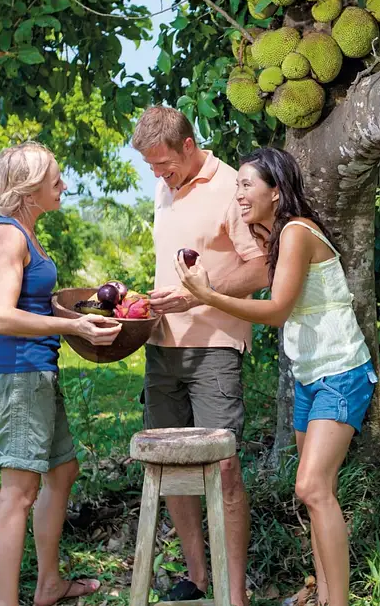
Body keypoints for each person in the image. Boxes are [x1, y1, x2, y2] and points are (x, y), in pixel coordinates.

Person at [176, 146, 378, 606]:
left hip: (341, 373)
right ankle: (326, 596)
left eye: (247, 184)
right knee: (314, 492)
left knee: (310, 486)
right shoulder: (279, 235)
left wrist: (206, 295)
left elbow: (276, 310)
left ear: (276, 189)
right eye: (238, 185)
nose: (240, 194)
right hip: (311, 376)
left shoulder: (299, 232)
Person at [0, 141, 122, 606]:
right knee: (18, 492)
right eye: (56, 179)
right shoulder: (8, 236)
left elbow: (28, 303)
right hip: (17, 375)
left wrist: (81, 310)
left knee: (63, 471)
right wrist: (72, 324)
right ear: (30, 187)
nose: (64, 186)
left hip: (36, 371)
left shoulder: (22, 232)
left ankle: (49, 583)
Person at [131, 106, 269, 605]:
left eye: (163, 163)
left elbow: (261, 270)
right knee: (169, 466)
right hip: (161, 346)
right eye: (150, 167)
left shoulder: (232, 188)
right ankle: (197, 577)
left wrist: (198, 295)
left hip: (215, 348)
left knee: (224, 467)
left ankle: (234, 593)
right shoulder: (163, 188)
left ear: (188, 145)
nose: (157, 174)